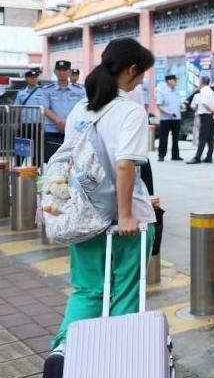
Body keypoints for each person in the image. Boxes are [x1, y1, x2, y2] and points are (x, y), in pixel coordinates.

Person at [42, 39, 157, 378]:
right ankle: (115, 361)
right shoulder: (131, 111)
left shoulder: (82, 108)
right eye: (142, 73)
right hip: (125, 221)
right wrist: (126, 215)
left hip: (83, 215)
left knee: (88, 289)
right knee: (126, 292)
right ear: (132, 70)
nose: (141, 80)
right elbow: (125, 165)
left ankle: (65, 349)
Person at [42, 60, 86, 163]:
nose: (62, 72)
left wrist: (68, 124)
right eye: (59, 70)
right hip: (53, 131)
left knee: (72, 163)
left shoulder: (80, 90)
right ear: (55, 72)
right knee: (51, 162)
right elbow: (45, 108)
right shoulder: (47, 90)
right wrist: (60, 122)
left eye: (65, 70)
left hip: (74, 131)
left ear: (69, 72)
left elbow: (83, 108)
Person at [15, 69, 47, 165]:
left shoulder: (43, 92)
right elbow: (17, 108)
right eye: (31, 77)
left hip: (37, 124)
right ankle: (18, 167)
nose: (33, 79)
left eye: (35, 77)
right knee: (21, 147)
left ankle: (36, 168)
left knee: (37, 148)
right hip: (24, 124)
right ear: (26, 79)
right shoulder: (21, 93)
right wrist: (16, 121)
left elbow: (46, 109)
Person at [186, 76, 214, 164]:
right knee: (210, 137)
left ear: (201, 82)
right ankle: (209, 157)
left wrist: (212, 111)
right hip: (211, 116)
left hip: (205, 115)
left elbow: (204, 104)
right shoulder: (212, 92)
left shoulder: (203, 91)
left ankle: (197, 157)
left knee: (202, 137)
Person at [155, 74, 183, 162]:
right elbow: (158, 105)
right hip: (165, 118)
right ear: (169, 81)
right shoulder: (162, 91)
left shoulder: (177, 91)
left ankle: (175, 155)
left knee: (176, 137)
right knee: (164, 137)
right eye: (175, 80)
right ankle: (161, 155)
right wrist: (168, 112)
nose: (176, 82)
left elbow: (179, 103)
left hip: (176, 118)